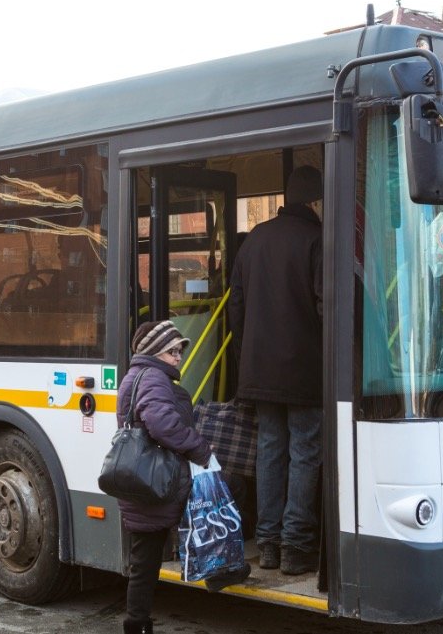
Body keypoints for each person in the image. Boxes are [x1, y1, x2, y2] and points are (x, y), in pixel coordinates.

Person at [118, 320, 247, 634]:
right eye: (171, 351)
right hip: (157, 477)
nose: (178, 358)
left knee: (148, 557)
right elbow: (160, 423)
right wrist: (199, 448)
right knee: (217, 498)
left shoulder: (140, 377)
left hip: (149, 477)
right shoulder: (153, 378)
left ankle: (219, 568)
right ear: (153, 352)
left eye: (179, 351)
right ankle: (218, 569)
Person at [229, 165, 323, 576]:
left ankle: (266, 544)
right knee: (304, 452)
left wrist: (248, 352)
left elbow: (236, 306)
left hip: (258, 371)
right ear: (317, 201)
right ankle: (295, 546)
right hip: (303, 371)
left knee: (269, 451)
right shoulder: (316, 240)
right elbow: (326, 309)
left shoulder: (254, 241)